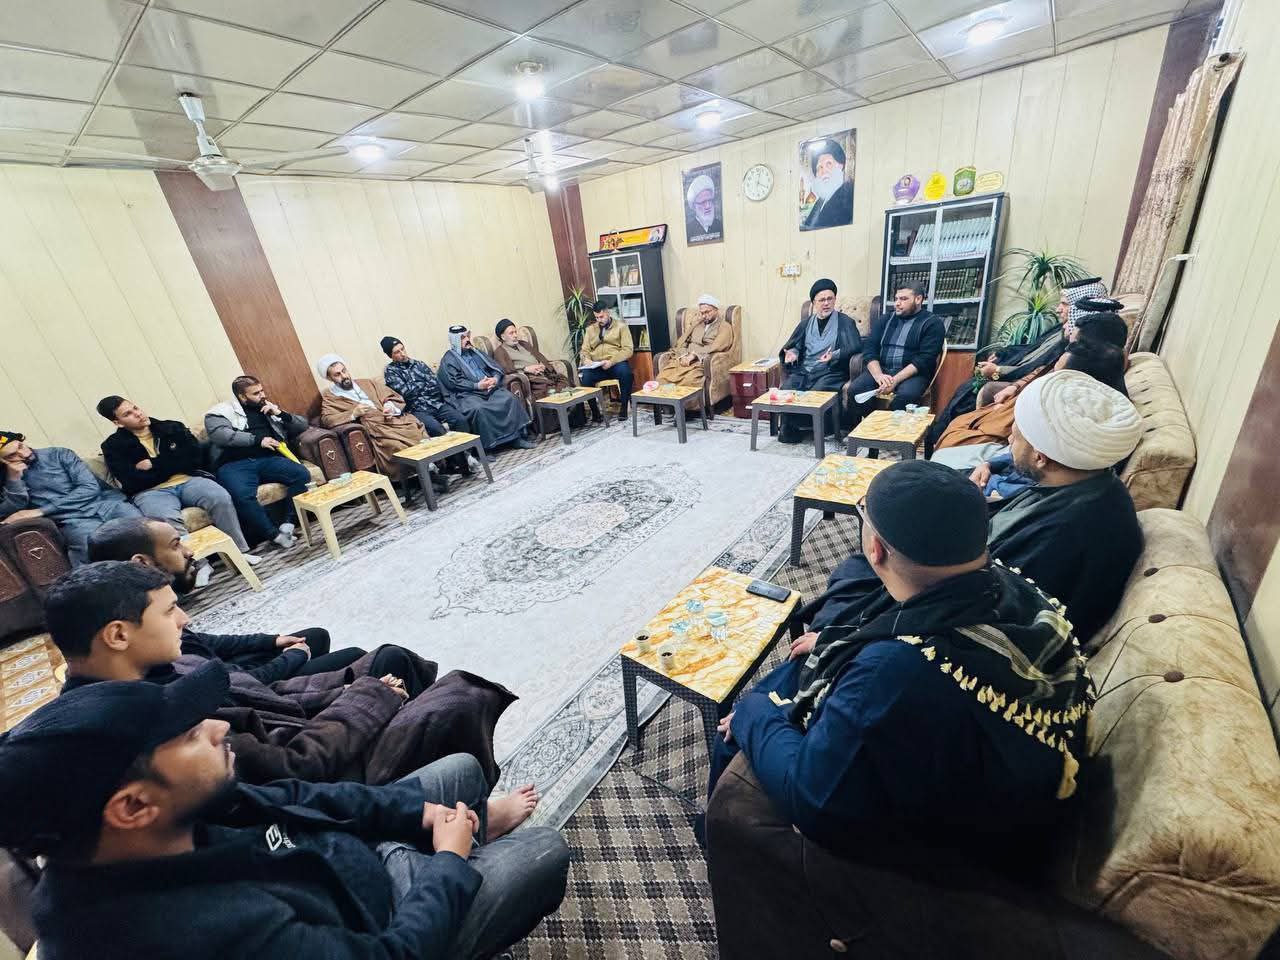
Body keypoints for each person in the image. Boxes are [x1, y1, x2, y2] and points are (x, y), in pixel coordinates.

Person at [0, 660, 570, 960]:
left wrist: (415, 817)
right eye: (192, 735)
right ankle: (463, 847)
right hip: (374, 925)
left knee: (460, 771)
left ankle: (463, 831)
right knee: (542, 850)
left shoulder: (177, 807)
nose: (219, 727)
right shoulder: (184, 932)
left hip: (338, 867)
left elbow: (303, 797)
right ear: (132, 806)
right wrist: (447, 863)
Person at [708, 460, 1092, 875]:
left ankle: (721, 854)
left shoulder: (892, 670)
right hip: (1005, 782)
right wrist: (840, 639)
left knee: (738, 728)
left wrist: (754, 712)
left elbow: (814, 802)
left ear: (875, 548)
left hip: (956, 847)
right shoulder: (1008, 584)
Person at [47, 561, 523, 788]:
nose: (185, 620)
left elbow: (264, 693)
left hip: (305, 723)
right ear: (118, 634)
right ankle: (449, 802)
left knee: (389, 659)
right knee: (460, 698)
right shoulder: (159, 718)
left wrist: (354, 687)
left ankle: (428, 775)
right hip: (320, 771)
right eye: (170, 611)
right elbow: (295, 768)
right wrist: (368, 699)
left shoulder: (160, 667)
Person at [808, 370, 1142, 643]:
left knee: (856, 577)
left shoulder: (1068, 535)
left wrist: (842, 638)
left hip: (956, 615)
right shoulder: (1085, 478)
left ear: (1041, 456)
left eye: (1016, 436)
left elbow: (967, 607)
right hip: (967, 571)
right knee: (863, 560)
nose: (1008, 440)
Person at [87, 517, 369, 683]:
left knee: (314, 636)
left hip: (226, 675)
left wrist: (270, 641)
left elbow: (203, 642)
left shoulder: (141, 602)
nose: (189, 551)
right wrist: (293, 658)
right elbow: (236, 686)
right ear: (142, 563)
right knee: (359, 656)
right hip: (245, 695)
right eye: (176, 544)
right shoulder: (144, 628)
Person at [925, 276, 1110, 453]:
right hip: (1018, 386)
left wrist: (998, 371)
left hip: (1027, 397)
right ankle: (937, 439)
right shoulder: (1061, 330)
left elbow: (1041, 371)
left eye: (1065, 304)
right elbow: (1030, 351)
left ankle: (945, 440)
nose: (1058, 309)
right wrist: (1002, 354)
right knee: (964, 394)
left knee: (966, 402)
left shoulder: (1081, 348)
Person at [96, 396, 256, 587]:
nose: (138, 414)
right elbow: (131, 480)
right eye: (128, 414)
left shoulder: (172, 428)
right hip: (150, 492)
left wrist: (153, 465)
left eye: (135, 408)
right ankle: (198, 565)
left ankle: (239, 552)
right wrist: (173, 461)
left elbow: (194, 459)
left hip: (188, 479)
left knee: (219, 497)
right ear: (118, 422)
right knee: (164, 519)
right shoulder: (113, 446)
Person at [929, 336, 1128, 470]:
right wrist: (990, 466)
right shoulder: (1068, 401)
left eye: (1057, 373)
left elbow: (1034, 472)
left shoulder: (1082, 432)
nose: (1050, 375)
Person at [0, 432, 141, 566]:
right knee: (90, 550)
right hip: (72, 520)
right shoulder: (5, 478)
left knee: (143, 529)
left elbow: (89, 488)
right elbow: (10, 513)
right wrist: (14, 481)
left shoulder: (59, 454)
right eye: (12, 455)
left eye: (20, 446)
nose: (23, 453)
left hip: (105, 504)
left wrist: (40, 511)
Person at [315, 354, 447, 496]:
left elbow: (391, 396)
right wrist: (353, 413)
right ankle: (425, 477)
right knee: (395, 445)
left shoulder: (366, 383)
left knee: (416, 432)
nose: (344, 376)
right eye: (337, 375)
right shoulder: (331, 397)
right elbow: (327, 419)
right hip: (376, 428)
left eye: (344, 371)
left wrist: (389, 406)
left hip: (392, 419)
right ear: (329, 378)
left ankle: (430, 471)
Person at [204, 376, 311, 550]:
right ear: (242, 396)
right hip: (235, 464)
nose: (262, 395)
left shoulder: (266, 408)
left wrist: (280, 414)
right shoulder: (221, 412)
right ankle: (274, 535)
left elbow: (303, 425)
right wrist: (257, 440)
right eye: (256, 393)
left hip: (268, 459)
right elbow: (220, 435)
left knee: (301, 474)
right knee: (241, 496)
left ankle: (288, 524)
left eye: (262, 390)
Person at [845, 282, 946, 427]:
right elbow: (869, 348)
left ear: (918, 299)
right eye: (896, 298)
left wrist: (895, 380)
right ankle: (871, 427)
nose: (897, 303)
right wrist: (879, 376)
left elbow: (924, 360)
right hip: (883, 370)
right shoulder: (885, 319)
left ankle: (890, 432)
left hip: (912, 374)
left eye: (903, 299)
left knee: (905, 397)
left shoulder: (932, 323)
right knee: (855, 390)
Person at [778, 278, 861, 443]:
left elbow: (856, 346)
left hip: (831, 370)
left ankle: (822, 429)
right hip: (805, 370)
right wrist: (793, 353)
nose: (826, 303)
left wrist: (834, 355)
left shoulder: (845, 322)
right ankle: (792, 429)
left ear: (835, 300)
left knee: (818, 392)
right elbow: (795, 346)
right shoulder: (805, 324)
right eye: (822, 300)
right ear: (814, 303)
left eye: (830, 299)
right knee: (788, 389)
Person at [380, 337, 477, 476]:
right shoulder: (391, 372)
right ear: (390, 356)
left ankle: (465, 457)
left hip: (435, 403)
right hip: (417, 409)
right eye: (397, 352)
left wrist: (418, 387)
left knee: (460, 420)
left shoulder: (419, 364)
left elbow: (434, 384)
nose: (402, 353)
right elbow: (406, 393)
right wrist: (423, 385)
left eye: (403, 349)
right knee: (437, 429)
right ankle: (462, 465)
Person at [437, 326, 536, 458]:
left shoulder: (475, 352)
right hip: (467, 394)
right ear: (454, 340)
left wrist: (495, 379)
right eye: (462, 338)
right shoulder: (449, 359)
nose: (467, 339)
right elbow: (454, 382)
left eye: (467, 336)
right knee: (479, 409)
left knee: (509, 398)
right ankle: (487, 448)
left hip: (488, 388)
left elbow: (495, 367)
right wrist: (477, 385)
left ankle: (516, 439)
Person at [656, 294, 733, 390]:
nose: (704, 316)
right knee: (661, 378)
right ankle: (669, 398)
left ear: (716, 310)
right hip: (683, 360)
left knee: (689, 381)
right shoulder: (697, 324)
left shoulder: (724, 326)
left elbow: (717, 346)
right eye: (702, 313)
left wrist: (695, 355)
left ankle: (681, 398)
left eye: (707, 312)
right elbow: (680, 343)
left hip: (700, 362)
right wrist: (683, 355)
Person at [578, 297, 635, 422]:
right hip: (597, 365)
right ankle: (595, 413)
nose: (599, 320)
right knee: (586, 378)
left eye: (601, 317)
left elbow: (628, 349)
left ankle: (624, 408)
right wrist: (586, 360)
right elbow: (584, 351)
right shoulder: (590, 330)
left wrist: (611, 361)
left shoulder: (621, 327)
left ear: (608, 312)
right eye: (597, 317)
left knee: (626, 373)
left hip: (614, 363)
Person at [492, 319, 571, 400]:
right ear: (503, 337)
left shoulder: (523, 344)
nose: (515, 335)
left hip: (543, 374)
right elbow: (506, 370)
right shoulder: (500, 351)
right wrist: (526, 369)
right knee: (549, 391)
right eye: (511, 333)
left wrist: (543, 365)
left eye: (515, 332)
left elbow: (539, 356)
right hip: (531, 380)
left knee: (565, 384)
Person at [801, 138, 853, 230]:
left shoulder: (849, 195)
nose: (824, 171)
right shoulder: (821, 201)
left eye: (828, 164)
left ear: (840, 166)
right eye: (819, 167)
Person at [685, 171, 723, 243]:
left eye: (710, 200)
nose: (708, 206)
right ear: (694, 206)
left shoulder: (719, 225)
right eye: (703, 202)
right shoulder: (689, 230)